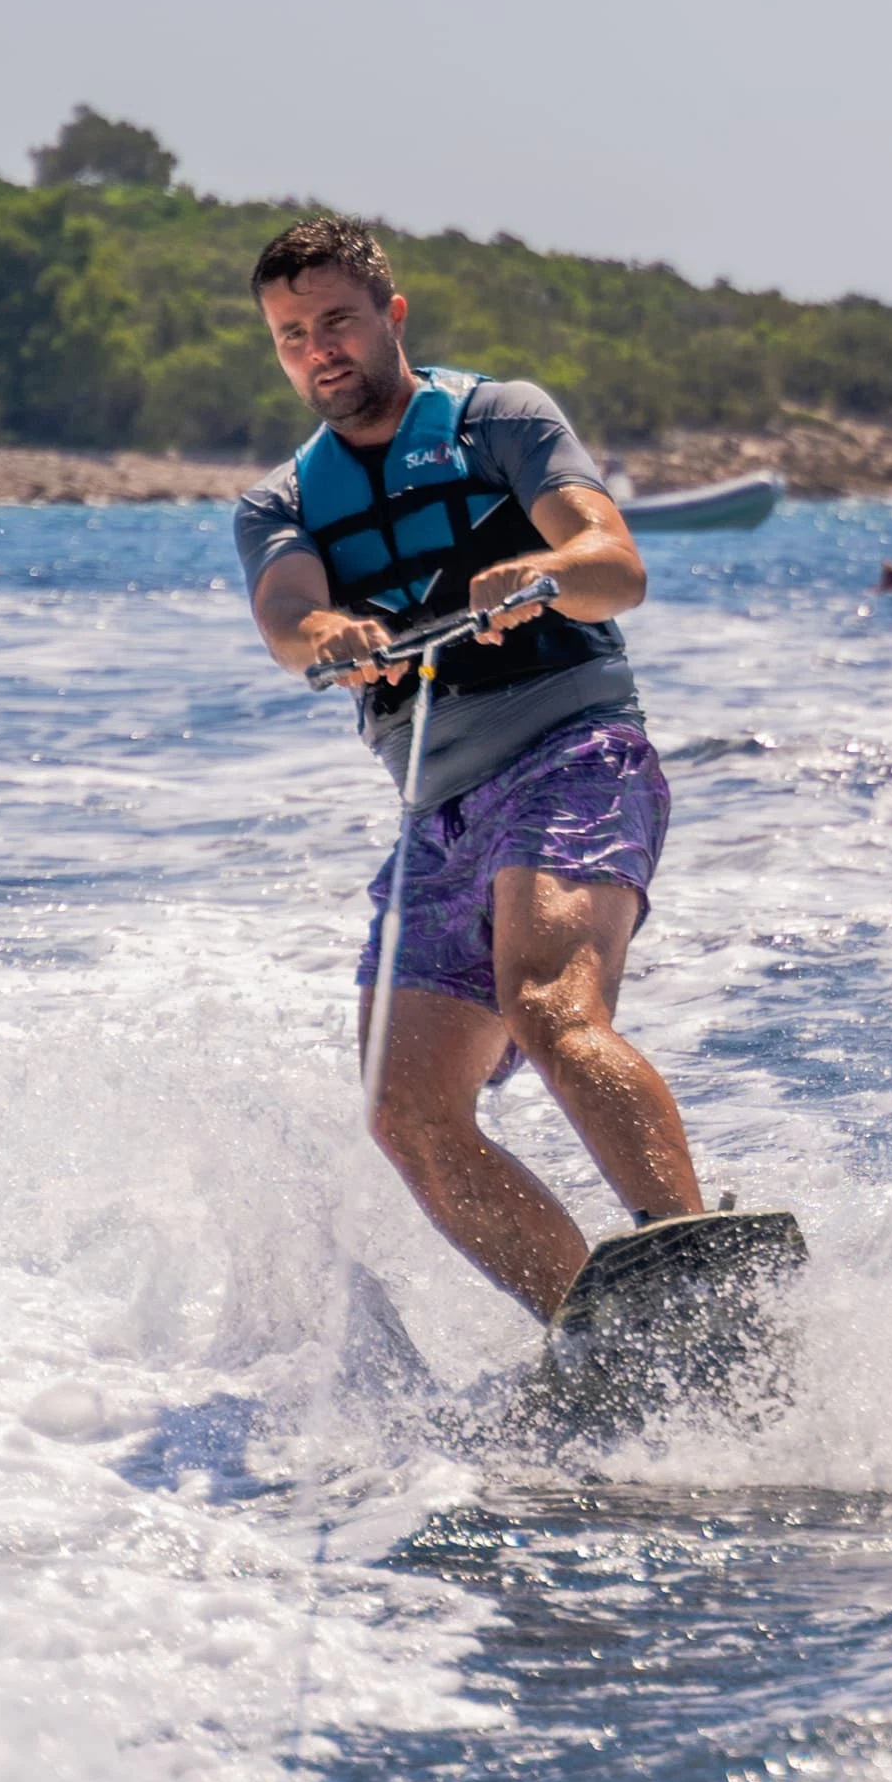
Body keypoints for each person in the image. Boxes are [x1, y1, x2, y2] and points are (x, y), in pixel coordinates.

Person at [234, 213, 708, 1322]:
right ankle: (604, 1332)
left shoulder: (501, 419)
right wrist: (326, 637)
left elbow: (614, 567)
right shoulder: (280, 502)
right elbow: (287, 615)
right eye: (292, 334)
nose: (320, 349)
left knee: (547, 1004)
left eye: (339, 321)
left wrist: (543, 569)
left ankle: (698, 1268)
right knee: (406, 1112)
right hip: (440, 813)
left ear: (392, 317)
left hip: (576, 758)